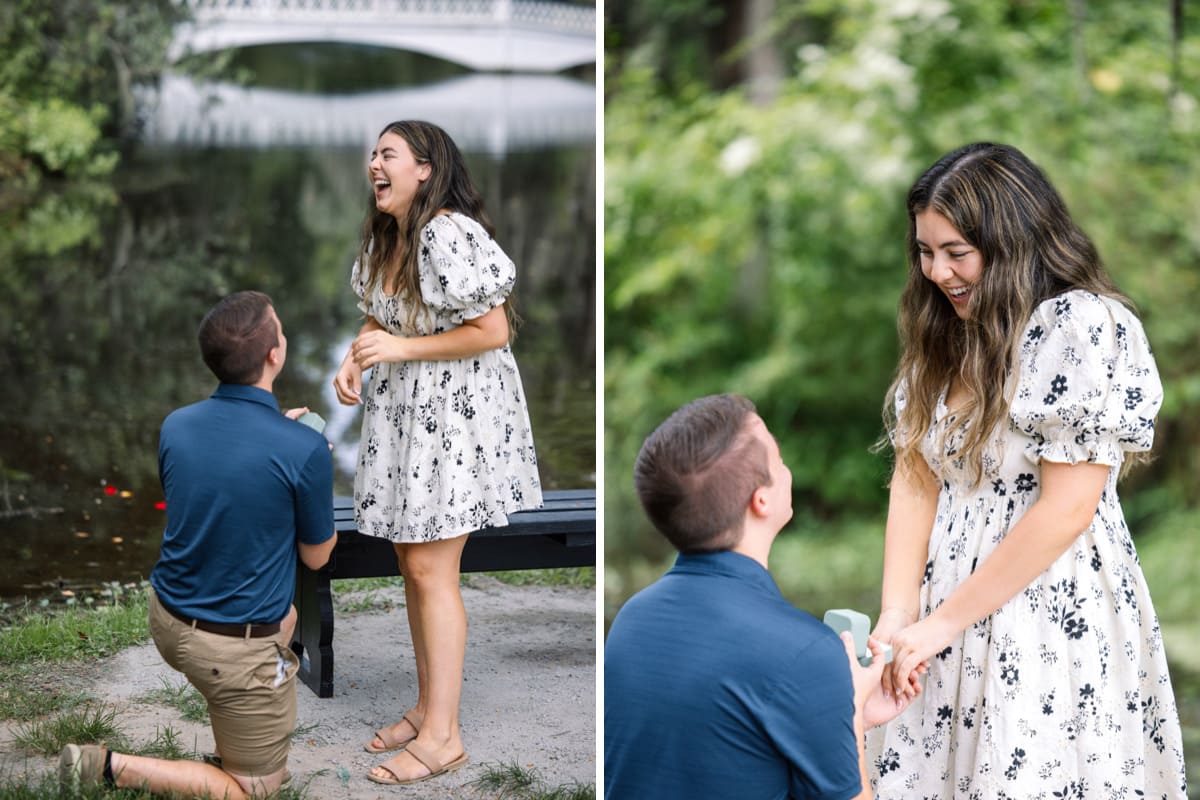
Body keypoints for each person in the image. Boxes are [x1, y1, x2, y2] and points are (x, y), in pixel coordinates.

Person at [868, 142, 1187, 797]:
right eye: (926, 252)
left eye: (957, 252)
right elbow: (915, 476)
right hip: (942, 610)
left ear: (1013, 239)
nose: (937, 272)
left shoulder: (1077, 326)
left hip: (1039, 605)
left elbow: (1068, 508)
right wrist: (899, 614)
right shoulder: (944, 334)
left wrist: (946, 621)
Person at [58, 291, 337, 798]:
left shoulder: (176, 425)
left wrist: (278, 440)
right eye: (280, 328)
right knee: (254, 791)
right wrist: (300, 457)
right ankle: (102, 767)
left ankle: (235, 728)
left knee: (288, 618)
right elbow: (316, 555)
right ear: (275, 354)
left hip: (167, 618)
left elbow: (213, 493)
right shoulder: (306, 449)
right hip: (231, 648)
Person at [332, 119, 542, 786]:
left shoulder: (447, 232)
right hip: (405, 420)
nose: (374, 164)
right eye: (373, 154)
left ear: (425, 168)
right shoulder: (388, 238)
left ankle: (445, 737)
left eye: (388, 154)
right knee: (410, 560)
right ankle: (427, 710)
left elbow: (493, 329)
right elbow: (384, 316)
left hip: (452, 421)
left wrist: (399, 351)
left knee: (431, 570)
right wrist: (357, 355)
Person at [605, 394, 913, 800]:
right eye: (778, 458)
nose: (786, 470)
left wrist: (831, 717)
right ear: (761, 499)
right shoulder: (807, 651)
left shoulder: (630, 622)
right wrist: (849, 716)